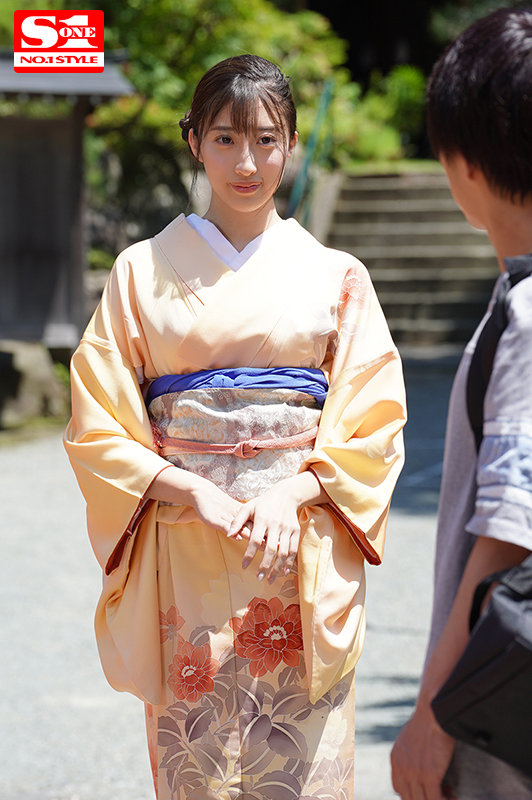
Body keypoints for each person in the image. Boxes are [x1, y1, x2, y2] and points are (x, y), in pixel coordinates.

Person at [64, 54, 406, 800]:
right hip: (184, 543)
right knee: (199, 765)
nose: (246, 163)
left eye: (266, 140)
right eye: (224, 139)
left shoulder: (337, 275)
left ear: (292, 145)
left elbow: (373, 422)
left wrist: (292, 493)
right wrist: (186, 487)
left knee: (301, 768)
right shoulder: (139, 272)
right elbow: (98, 422)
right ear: (194, 141)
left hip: (297, 545)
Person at [390, 8, 532, 800]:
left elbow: (510, 533)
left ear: (465, 160)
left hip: (501, 711)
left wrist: (433, 716)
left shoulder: (528, 317)